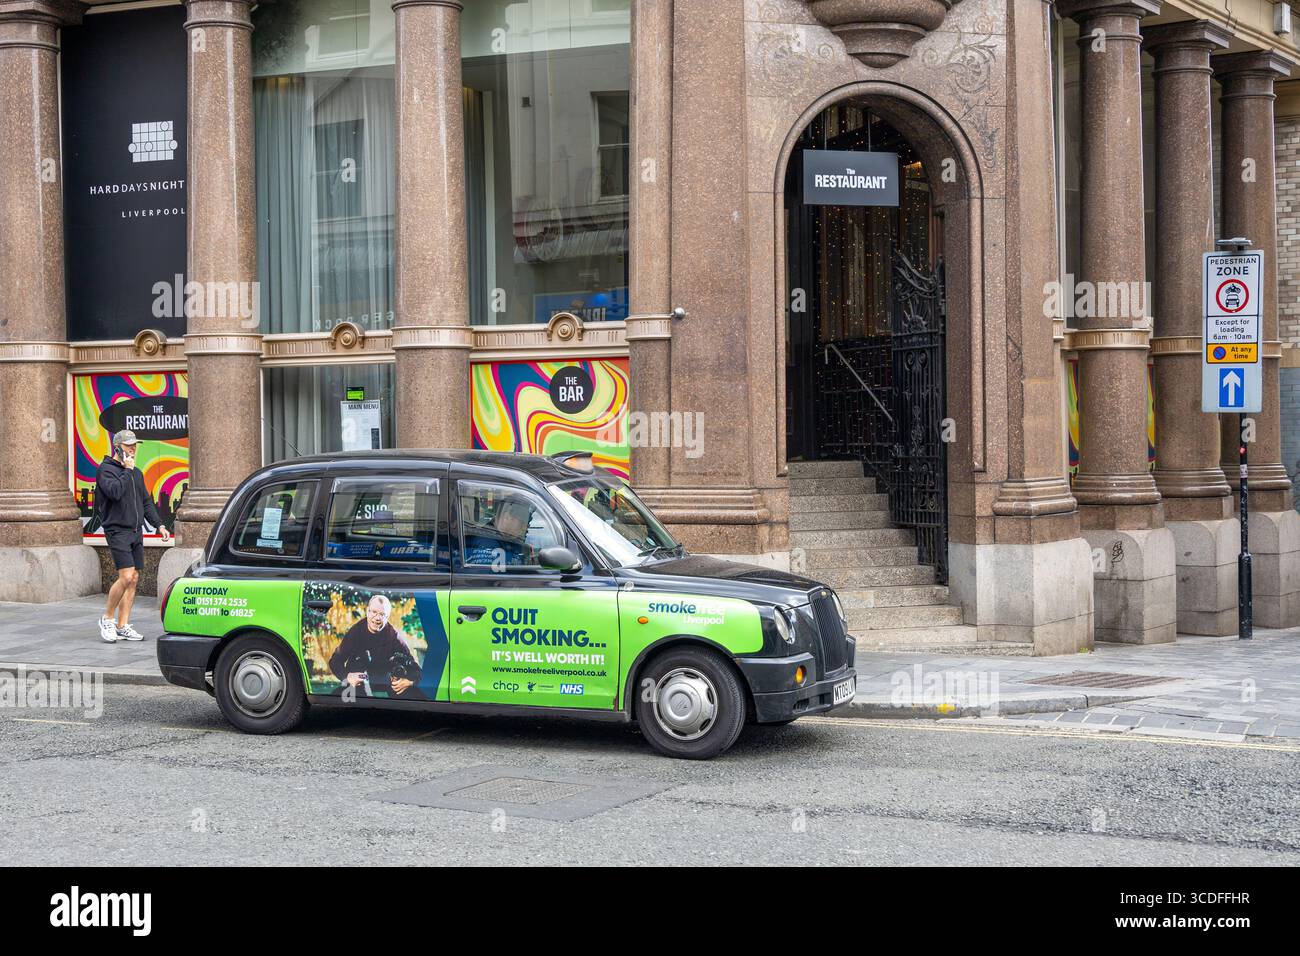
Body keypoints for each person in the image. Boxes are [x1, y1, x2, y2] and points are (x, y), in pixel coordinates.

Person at [95, 430, 170, 643]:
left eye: (135, 446)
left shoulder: (136, 473)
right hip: (117, 530)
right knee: (126, 576)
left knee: (134, 579)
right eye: (129, 446)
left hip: (136, 531)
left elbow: (145, 502)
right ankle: (107, 618)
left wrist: (159, 525)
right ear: (117, 447)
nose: (133, 449)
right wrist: (127, 471)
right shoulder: (106, 471)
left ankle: (122, 625)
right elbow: (115, 493)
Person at [328, 594, 424, 699]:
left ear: (387, 617)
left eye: (382, 614)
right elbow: (335, 660)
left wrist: (410, 682)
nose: (377, 618)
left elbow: (415, 668)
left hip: (388, 679)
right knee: (337, 697)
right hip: (361, 679)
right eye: (374, 612)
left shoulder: (394, 637)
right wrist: (346, 676)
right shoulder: (356, 632)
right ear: (368, 611)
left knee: (417, 695)